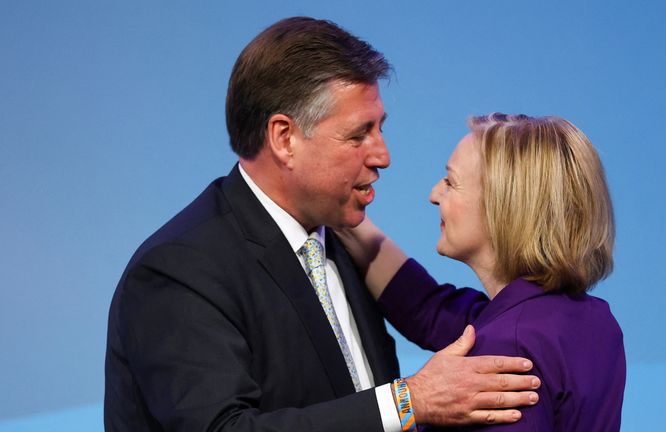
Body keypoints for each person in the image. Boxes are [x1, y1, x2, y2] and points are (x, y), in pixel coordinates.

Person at [104, 18, 540, 432]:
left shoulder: (338, 240)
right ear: (284, 138)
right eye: (358, 135)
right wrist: (409, 401)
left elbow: (440, 312)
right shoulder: (181, 269)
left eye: (380, 129)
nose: (382, 155)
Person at [339, 113, 626, 431]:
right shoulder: (588, 321)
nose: (434, 194)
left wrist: (406, 405)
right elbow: (427, 309)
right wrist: (338, 212)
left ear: (502, 207)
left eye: (450, 182)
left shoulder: (509, 350)